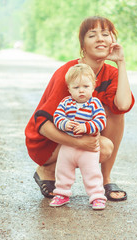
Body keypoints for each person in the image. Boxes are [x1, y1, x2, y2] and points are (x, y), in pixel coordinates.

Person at [25, 16, 135, 201]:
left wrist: (121, 62)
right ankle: (47, 169)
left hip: (83, 135)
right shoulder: (70, 73)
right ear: (83, 45)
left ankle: (105, 180)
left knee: (117, 113)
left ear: (112, 41)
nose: (100, 39)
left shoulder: (111, 73)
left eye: (105, 34)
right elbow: (43, 124)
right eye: (92, 35)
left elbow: (123, 105)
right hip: (48, 142)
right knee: (104, 146)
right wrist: (79, 143)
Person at [50, 64, 107, 210]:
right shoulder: (65, 102)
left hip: (88, 149)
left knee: (92, 172)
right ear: (69, 89)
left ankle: (97, 196)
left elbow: (101, 121)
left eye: (85, 86)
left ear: (93, 87)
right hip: (68, 147)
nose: (81, 90)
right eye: (76, 88)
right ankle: (62, 193)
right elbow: (57, 116)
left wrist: (86, 127)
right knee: (62, 170)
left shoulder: (95, 103)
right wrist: (65, 123)